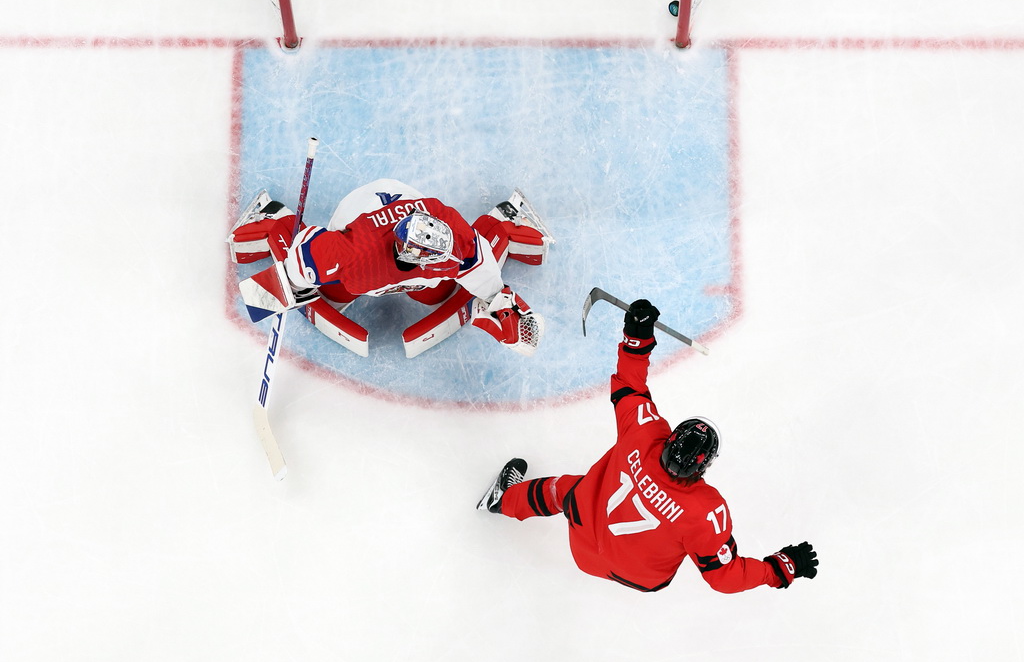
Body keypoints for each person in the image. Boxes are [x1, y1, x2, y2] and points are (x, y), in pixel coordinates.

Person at [477, 299, 819, 593]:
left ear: (671, 439)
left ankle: (502, 501)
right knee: (588, 495)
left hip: (583, 542)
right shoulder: (706, 511)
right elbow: (724, 577)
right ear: (703, 466)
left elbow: (629, 384)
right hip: (640, 577)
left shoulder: (643, 433)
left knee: (566, 489)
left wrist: (637, 338)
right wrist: (781, 568)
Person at [228, 179, 552, 357]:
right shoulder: (357, 255)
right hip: (357, 215)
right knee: (331, 295)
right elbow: (307, 254)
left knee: (436, 296)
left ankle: (504, 219)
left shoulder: (453, 239)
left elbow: (477, 260)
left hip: (401, 216)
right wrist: (290, 283)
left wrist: (499, 301)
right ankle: (273, 217)